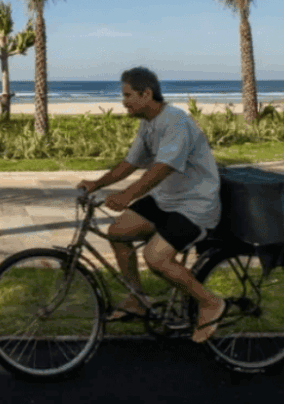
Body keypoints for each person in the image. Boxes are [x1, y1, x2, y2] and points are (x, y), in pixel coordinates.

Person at [76, 67, 226, 343]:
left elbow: (162, 169)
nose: (124, 102)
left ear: (147, 94)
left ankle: (210, 303)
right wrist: (96, 184)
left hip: (194, 205)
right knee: (117, 232)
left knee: (155, 257)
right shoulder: (148, 123)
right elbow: (128, 164)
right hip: (165, 201)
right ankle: (136, 298)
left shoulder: (175, 121)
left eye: (128, 95)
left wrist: (126, 196)